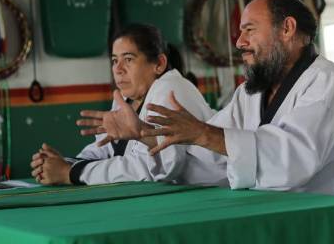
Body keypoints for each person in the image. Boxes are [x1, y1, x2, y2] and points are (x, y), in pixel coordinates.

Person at [87, 0, 334, 196]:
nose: (240, 42)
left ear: (287, 28)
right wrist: (145, 133)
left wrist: (202, 133)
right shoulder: (251, 93)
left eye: (249, 30)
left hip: (333, 219)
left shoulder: (327, 82)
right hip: (279, 215)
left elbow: (293, 161)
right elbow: (211, 158)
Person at [30, 24, 213, 185]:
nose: (118, 69)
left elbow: (147, 169)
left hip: (213, 194)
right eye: (115, 60)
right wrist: (64, 163)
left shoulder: (171, 91)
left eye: (128, 59)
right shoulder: (127, 99)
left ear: (159, 63)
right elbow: (105, 148)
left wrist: (71, 173)